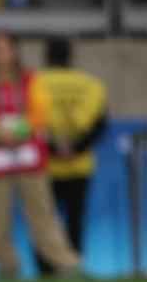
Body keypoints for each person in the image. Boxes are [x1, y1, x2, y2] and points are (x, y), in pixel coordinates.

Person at [0, 32, 79, 280]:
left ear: (15, 51)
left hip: (28, 157)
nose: (1, 55)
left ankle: (65, 264)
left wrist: (20, 130)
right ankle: (8, 267)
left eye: (6, 48)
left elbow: (40, 112)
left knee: (42, 214)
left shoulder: (31, 79)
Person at [35, 38, 107, 261]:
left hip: (46, 166)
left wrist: (55, 149)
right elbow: (100, 124)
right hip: (81, 164)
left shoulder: (36, 83)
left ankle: (45, 267)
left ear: (47, 56)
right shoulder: (91, 85)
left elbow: (31, 123)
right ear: (70, 56)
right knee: (76, 217)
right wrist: (75, 148)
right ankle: (75, 263)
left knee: (45, 219)